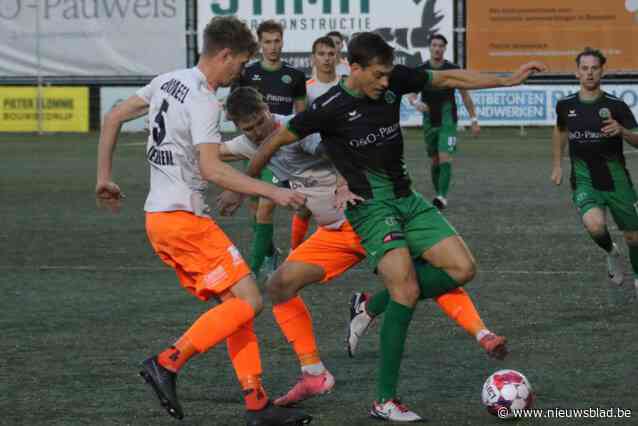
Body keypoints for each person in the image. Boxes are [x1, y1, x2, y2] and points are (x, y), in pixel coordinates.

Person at [243, 32, 545, 422]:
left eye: (389, 75)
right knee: (406, 288)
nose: (387, 83)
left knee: (463, 269)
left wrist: (506, 79)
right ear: (354, 69)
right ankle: (384, 399)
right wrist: (250, 186)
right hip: (370, 208)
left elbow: (448, 80)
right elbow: (275, 139)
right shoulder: (329, 107)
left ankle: (370, 305)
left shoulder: (394, 79)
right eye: (379, 76)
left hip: (407, 198)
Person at [217, 87, 508, 413]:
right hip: (333, 234)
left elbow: (334, 147)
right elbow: (211, 154)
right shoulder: (247, 144)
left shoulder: (297, 131)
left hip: (369, 220)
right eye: (249, 128)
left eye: (260, 121)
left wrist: (343, 182)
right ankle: (313, 372)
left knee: (421, 275)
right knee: (279, 285)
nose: (258, 131)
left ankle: (478, 332)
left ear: (268, 108)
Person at [95, 16, 311, 426]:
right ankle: (166, 362)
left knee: (236, 308)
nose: (240, 73)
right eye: (240, 62)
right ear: (225, 54)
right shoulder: (203, 100)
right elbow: (212, 169)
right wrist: (273, 191)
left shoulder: (166, 80)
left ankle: (256, 404)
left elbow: (112, 118)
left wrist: (104, 177)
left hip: (161, 219)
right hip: (184, 220)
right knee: (250, 300)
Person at [551, 47, 638, 300]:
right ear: (577, 72)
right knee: (594, 225)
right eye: (584, 68)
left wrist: (622, 131)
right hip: (584, 179)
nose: (589, 73)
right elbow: (559, 131)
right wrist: (557, 164)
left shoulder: (616, 106)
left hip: (617, 180)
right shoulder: (566, 105)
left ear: (602, 71)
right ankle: (611, 253)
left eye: (594, 68)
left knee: (633, 237)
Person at [235, 20, 307, 280]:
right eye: (267, 41)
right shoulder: (247, 75)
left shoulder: (295, 77)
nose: (273, 46)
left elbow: (301, 119)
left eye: (277, 41)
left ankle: (251, 272)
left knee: (265, 207)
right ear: (260, 44)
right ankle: (271, 253)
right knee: (254, 210)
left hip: (280, 154)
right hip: (253, 151)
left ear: (282, 41)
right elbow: (238, 111)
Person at [407, 34, 480, 210]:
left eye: (441, 45)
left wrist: (474, 119)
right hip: (429, 119)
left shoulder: (453, 69)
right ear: (430, 48)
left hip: (448, 118)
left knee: (445, 156)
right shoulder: (421, 70)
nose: (437, 48)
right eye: (434, 45)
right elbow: (411, 95)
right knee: (434, 160)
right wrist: (416, 103)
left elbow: (465, 95)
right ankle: (438, 191)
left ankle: (442, 196)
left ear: (445, 48)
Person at [292, 36, 342, 249]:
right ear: (313, 58)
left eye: (331, 54)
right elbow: (300, 125)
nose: (326, 59)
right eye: (321, 54)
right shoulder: (306, 88)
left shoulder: (345, 85)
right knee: (304, 206)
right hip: (315, 156)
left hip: (344, 154)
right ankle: (294, 250)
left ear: (337, 56)